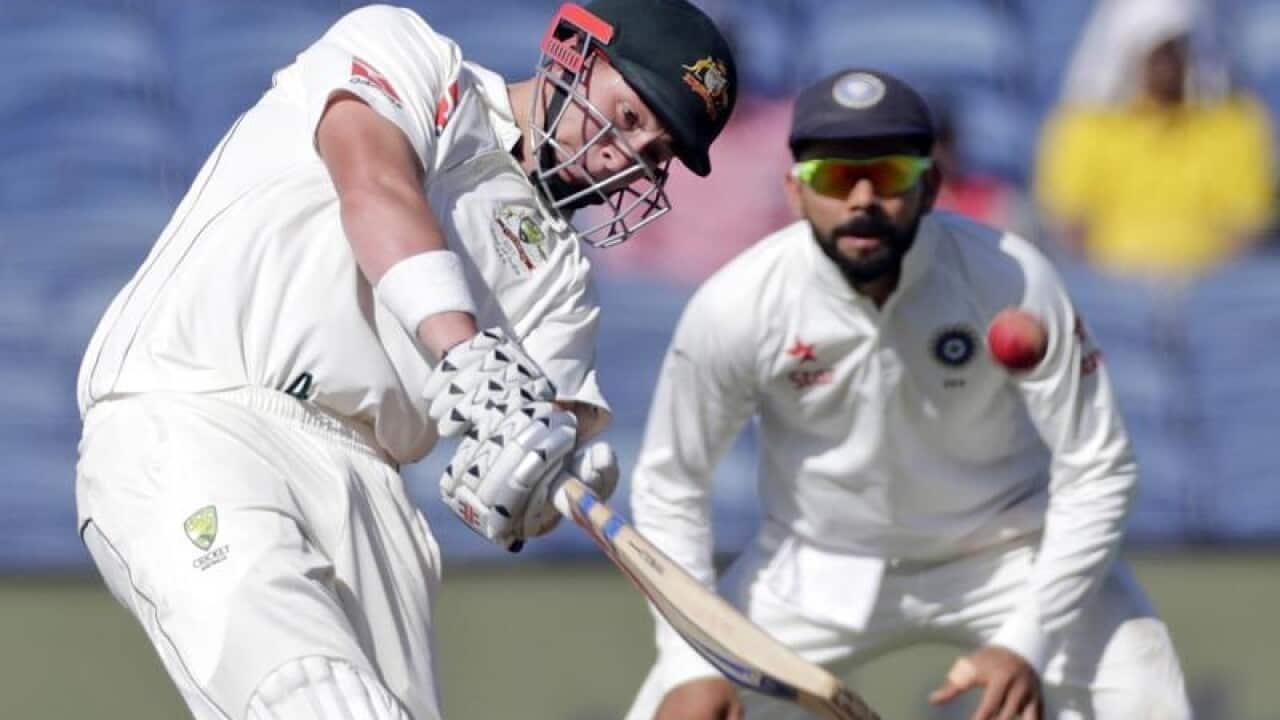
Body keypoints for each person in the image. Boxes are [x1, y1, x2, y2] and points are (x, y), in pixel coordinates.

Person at [73, 1, 736, 718]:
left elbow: (536, 433)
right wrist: (466, 352)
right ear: (574, 52)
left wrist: (537, 481)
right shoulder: (412, 57)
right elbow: (375, 183)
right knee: (311, 697)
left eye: (658, 151)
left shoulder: (563, 279)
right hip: (200, 410)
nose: (628, 156)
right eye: (630, 115)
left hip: (372, 489)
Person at [623, 69, 1191, 719]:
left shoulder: (1012, 279)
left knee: (1150, 691)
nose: (862, 200)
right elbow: (672, 483)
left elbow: (1100, 467)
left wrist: (1028, 641)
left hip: (1009, 555)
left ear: (929, 187)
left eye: (888, 175)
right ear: (795, 192)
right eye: (835, 178)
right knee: (674, 708)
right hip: (812, 566)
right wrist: (692, 658)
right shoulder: (737, 305)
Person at [1036, 0, 1274, 280]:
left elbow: (1248, 225)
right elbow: (1068, 223)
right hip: (1110, 291)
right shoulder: (1082, 126)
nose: (1167, 65)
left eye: (1175, 49)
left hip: (1213, 293)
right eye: (1154, 51)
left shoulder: (1237, 123)